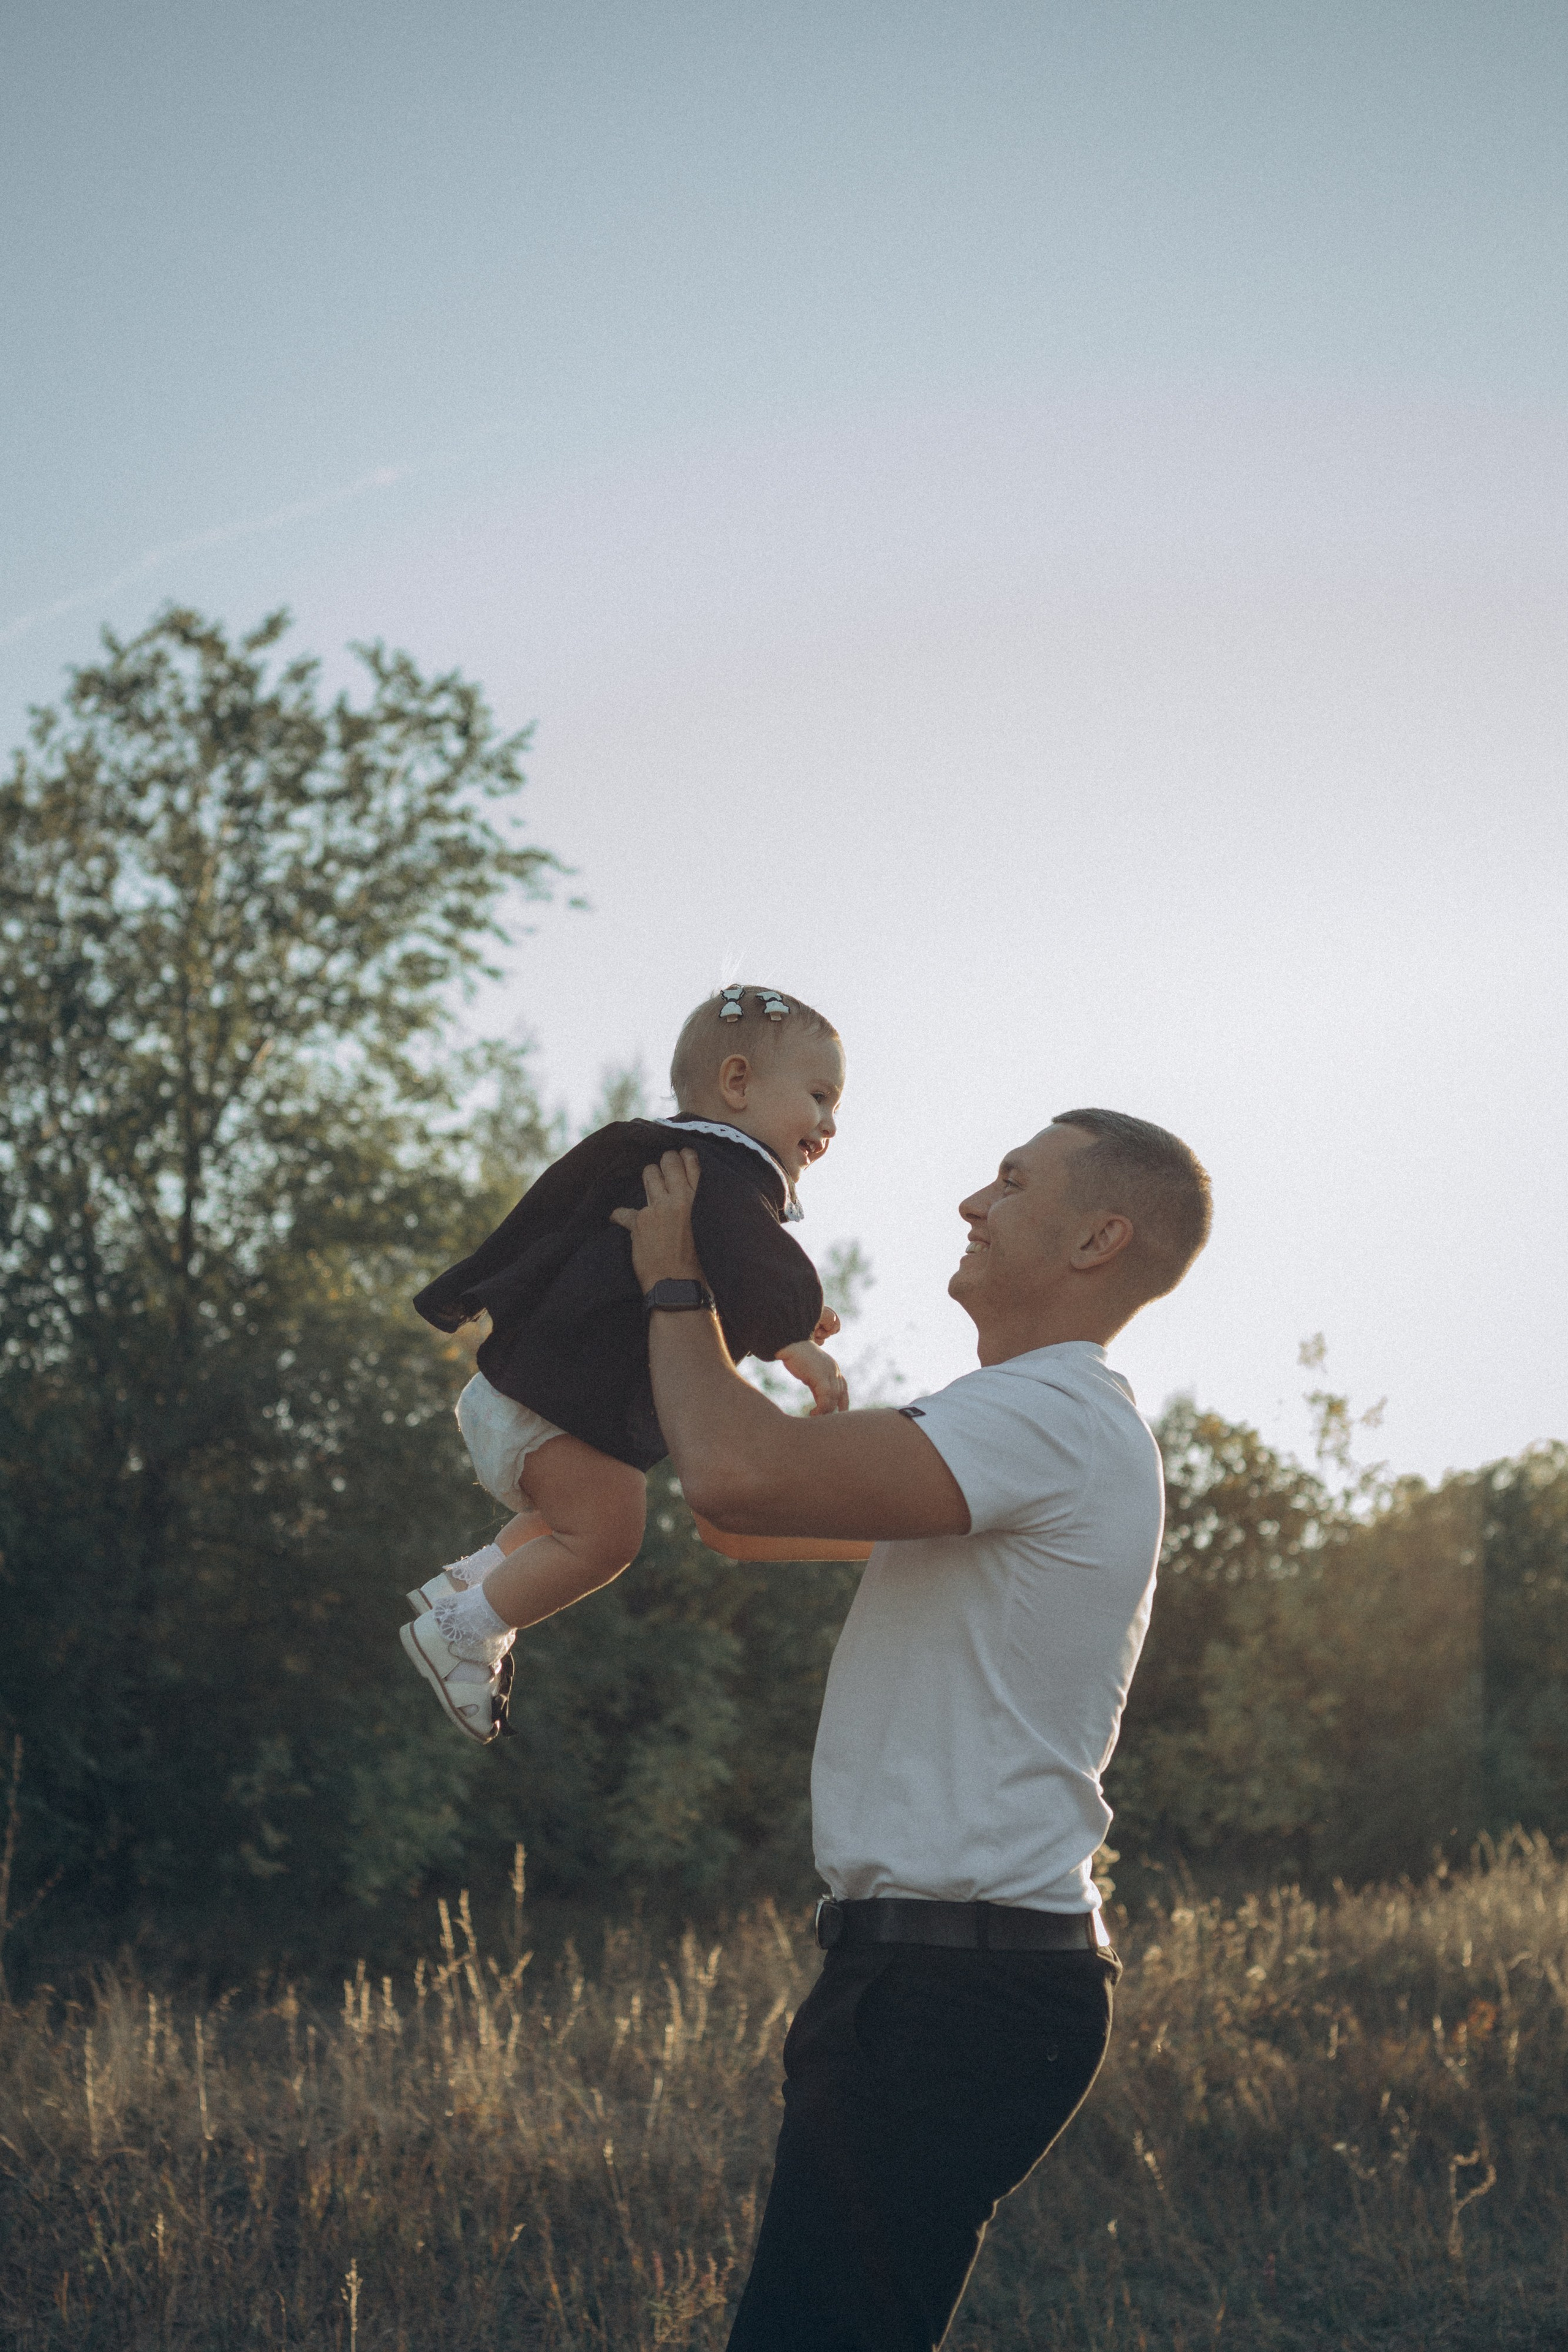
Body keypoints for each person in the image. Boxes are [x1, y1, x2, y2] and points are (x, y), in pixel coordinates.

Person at [610, 1108, 1213, 2352]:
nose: (971, 1204)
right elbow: (738, 1515)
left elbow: (733, 1476)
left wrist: (676, 1278)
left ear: (1097, 1239)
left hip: (956, 1989)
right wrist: (729, 1339)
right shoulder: (1022, 1422)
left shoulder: (1052, 1415)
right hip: (938, 1979)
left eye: (1011, 1182)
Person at [401, 986, 850, 1744]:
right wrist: (791, 1339)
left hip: (524, 1396)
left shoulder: (669, 1160)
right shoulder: (723, 1169)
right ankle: (462, 1631)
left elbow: (725, 1267)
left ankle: (469, 1581)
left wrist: (792, 1315)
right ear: (737, 1083)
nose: (831, 1124)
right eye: (818, 1096)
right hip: (553, 1408)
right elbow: (751, 1256)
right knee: (607, 1538)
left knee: (571, 1516)